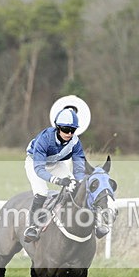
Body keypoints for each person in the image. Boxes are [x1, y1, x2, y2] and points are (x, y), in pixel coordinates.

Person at [23, 95, 90, 242]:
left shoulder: (75, 142)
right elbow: (40, 170)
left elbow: (79, 168)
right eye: (66, 129)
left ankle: (68, 219)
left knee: (74, 185)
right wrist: (57, 180)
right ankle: (32, 226)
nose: (69, 134)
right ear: (58, 127)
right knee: (42, 192)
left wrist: (77, 180)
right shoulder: (45, 139)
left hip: (56, 163)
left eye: (73, 130)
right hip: (35, 163)